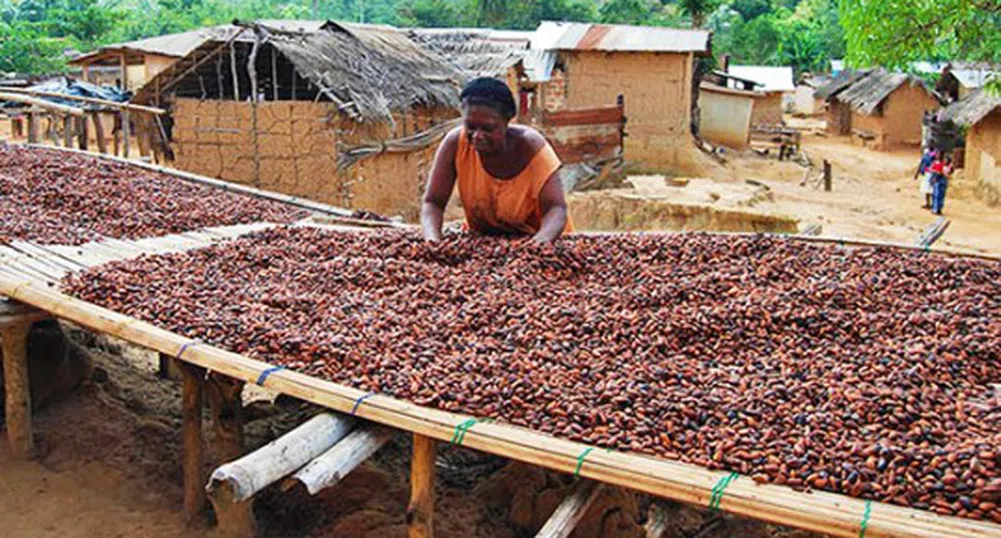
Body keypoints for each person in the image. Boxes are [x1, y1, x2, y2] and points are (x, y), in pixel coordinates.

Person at [421, 77, 572, 243]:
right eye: (470, 126)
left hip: (543, 240)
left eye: (488, 128)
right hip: (482, 243)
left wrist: (535, 248)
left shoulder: (532, 147)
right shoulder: (455, 143)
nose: (477, 136)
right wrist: (433, 242)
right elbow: (433, 202)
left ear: (507, 122)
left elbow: (556, 209)